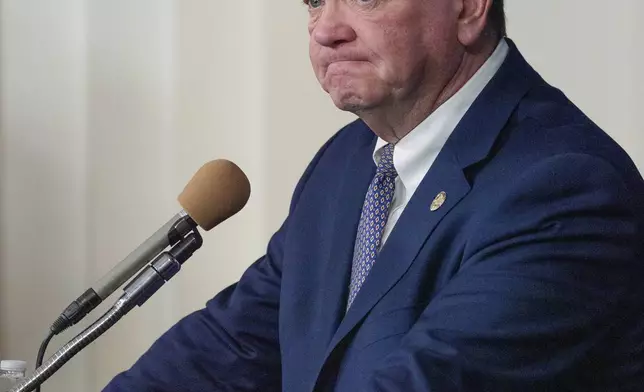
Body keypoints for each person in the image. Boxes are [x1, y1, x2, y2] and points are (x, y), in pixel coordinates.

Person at [104, 0, 644, 390]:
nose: (325, 30)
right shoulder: (345, 164)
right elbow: (232, 349)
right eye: (315, 2)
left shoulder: (564, 187)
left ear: (468, 8)